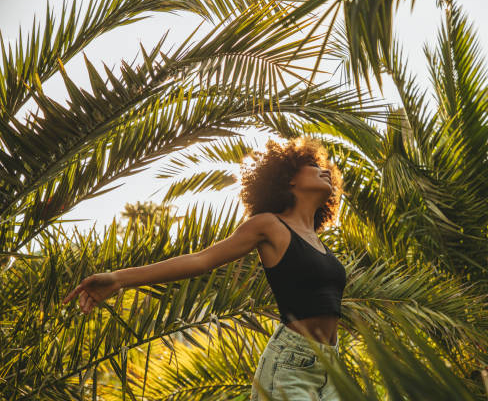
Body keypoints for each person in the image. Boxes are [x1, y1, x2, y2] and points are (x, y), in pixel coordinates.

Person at [63, 136, 347, 400]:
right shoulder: (269, 225)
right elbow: (201, 260)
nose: (323, 170)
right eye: (312, 165)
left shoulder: (320, 244)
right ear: (289, 180)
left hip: (331, 365)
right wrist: (118, 279)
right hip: (292, 364)